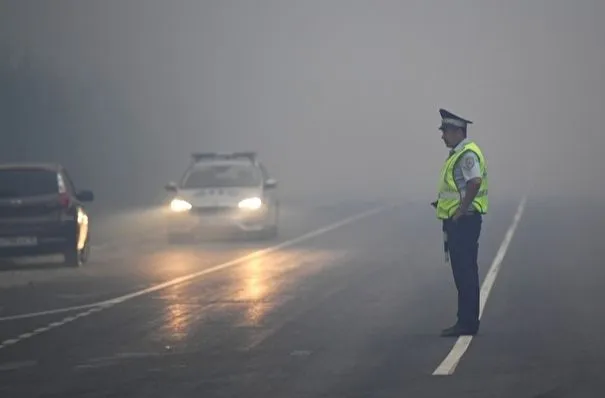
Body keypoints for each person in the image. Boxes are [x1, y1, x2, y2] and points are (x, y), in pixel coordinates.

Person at [432, 108, 489, 337]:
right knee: (465, 272)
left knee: (464, 273)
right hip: (461, 221)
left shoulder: (466, 154)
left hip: (464, 222)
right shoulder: (459, 153)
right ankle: (466, 320)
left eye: (445, 131)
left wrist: (460, 210)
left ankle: (466, 323)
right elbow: (460, 187)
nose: (442, 135)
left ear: (457, 131)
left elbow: (474, 182)